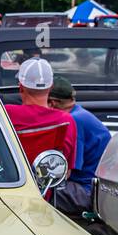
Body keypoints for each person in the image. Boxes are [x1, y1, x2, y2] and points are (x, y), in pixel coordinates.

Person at [47, 77, 110, 215]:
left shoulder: (74, 120)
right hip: (98, 188)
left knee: (37, 191)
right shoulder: (80, 114)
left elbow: (66, 172)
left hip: (87, 191)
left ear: (52, 103)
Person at [3, 57, 77, 169]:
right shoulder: (66, 120)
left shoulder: (6, 113)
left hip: (14, 183)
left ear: (21, 87)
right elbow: (67, 171)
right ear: (51, 86)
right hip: (48, 185)